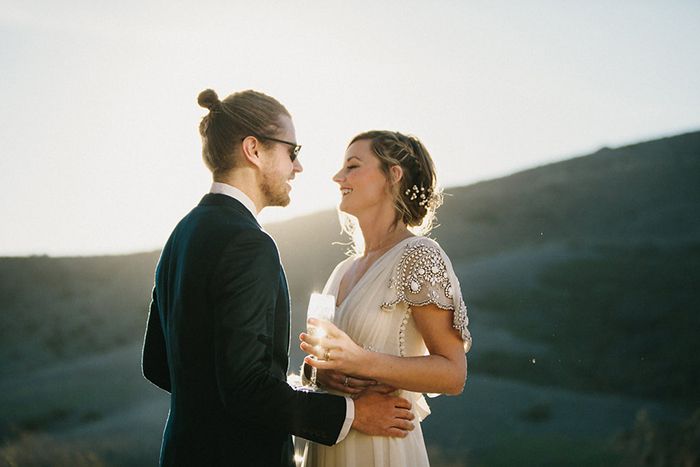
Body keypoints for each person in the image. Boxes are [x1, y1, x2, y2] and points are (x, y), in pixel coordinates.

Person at [141, 90, 416, 467]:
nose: (297, 167)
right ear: (254, 150)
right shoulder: (248, 243)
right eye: (292, 151)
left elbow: (157, 365)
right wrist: (353, 414)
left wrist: (218, 399)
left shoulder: (182, 234)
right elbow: (245, 388)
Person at [299, 131, 472, 467]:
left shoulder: (419, 255)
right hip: (329, 443)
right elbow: (323, 363)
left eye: (352, 166)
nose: (338, 177)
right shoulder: (342, 270)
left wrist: (360, 361)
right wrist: (318, 374)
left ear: (393, 175)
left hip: (382, 447)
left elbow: (453, 374)